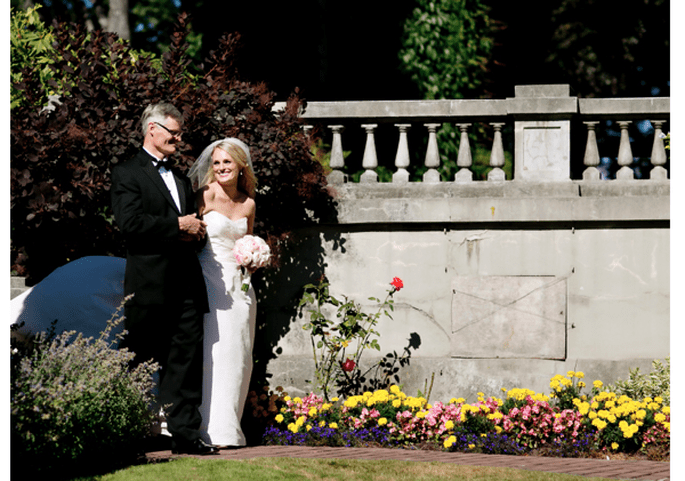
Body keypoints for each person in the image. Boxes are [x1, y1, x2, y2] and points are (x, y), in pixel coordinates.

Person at [110, 102, 218, 455]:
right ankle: (128, 436)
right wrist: (177, 225)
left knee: (185, 364)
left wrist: (195, 230)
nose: (179, 138)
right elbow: (130, 224)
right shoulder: (127, 173)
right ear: (152, 129)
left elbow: (184, 227)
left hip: (187, 284)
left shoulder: (182, 178)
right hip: (149, 285)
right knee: (140, 360)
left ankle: (186, 437)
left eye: (180, 132)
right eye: (174, 131)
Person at [187, 137, 258, 448]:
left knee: (239, 354)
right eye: (216, 163)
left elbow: (248, 242)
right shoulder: (204, 196)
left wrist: (254, 258)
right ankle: (202, 429)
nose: (221, 168)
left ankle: (228, 430)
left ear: (240, 165)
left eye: (227, 162)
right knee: (212, 353)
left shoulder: (248, 203)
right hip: (208, 278)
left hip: (240, 287)